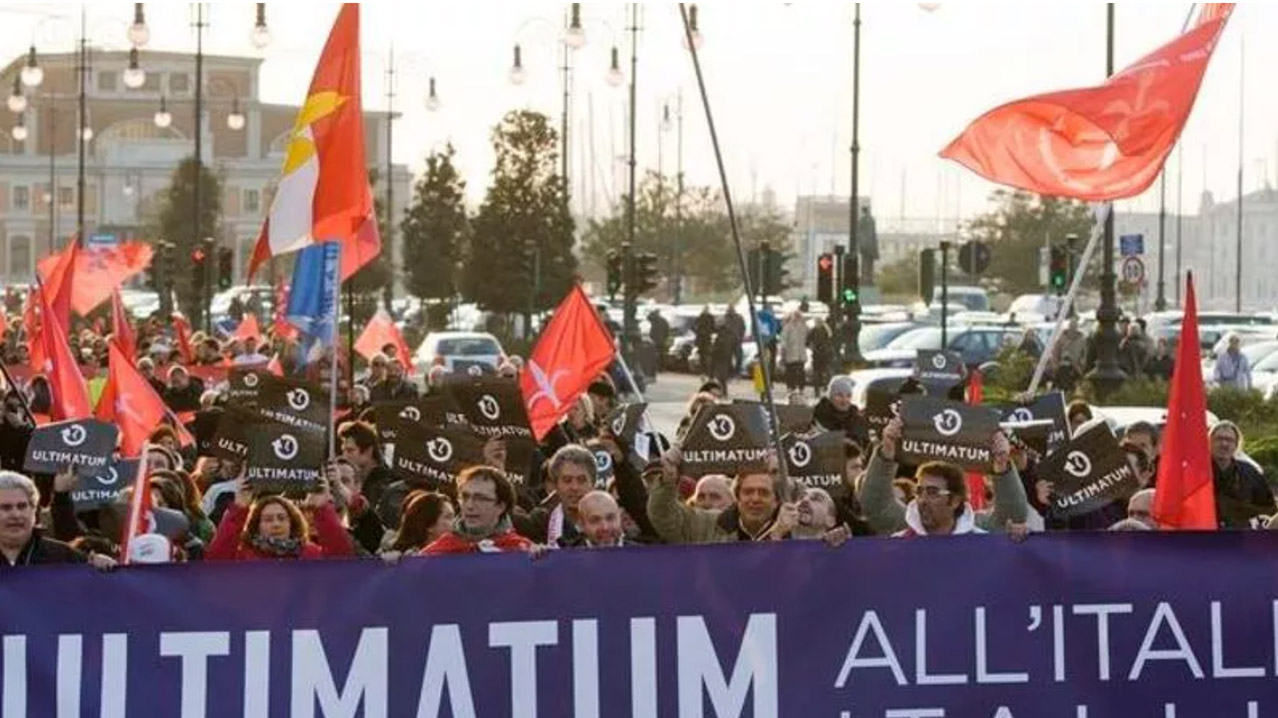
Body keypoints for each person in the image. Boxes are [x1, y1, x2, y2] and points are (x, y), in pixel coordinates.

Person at [861, 416, 1028, 535]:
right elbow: (876, 506)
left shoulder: (978, 532)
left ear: (955, 501)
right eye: (919, 491)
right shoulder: (904, 527)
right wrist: (887, 452)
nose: (922, 500)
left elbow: (1013, 517)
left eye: (932, 492)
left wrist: (1002, 465)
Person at [647, 450, 796, 544]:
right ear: (736, 497)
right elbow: (663, 516)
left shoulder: (794, 526)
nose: (755, 499)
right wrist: (667, 482)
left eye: (764, 493)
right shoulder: (707, 524)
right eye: (748, 492)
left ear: (776, 500)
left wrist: (779, 532)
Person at [205, 478, 354, 561]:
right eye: (268, 519)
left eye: (282, 518)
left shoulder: (309, 554)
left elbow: (341, 560)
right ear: (257, 525)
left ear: (292, 523)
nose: (276, 524)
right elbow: (216, 562)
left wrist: (322, 508)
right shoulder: (243, 556)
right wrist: (239, 508)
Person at [0, 471, 112, 567]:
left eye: (22, 506)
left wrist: (105, 569)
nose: (16, 515)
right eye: (5, 508)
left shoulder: (65, 558)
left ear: (34, 510)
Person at [421, 466, 533, 555]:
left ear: (501, 506)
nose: (470, 505)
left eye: (480, 499)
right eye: (465, 497)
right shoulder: (436, 553)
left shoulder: (523, 552)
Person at [514, 445, 596, 546]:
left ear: (593, 484)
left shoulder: (608, 521)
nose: (574, 487)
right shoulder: (541, 522)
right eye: (567, 480)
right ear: (555, 486)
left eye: (581, 480)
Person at [1209, 421, 1274, 528]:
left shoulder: (1250, 472)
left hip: (1242, 539)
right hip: (1204, 538)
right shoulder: (1198, 474)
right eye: (1219, 439)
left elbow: (1268, 508)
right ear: (1209, 442)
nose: (1224, 444)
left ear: (1236, 445)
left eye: (1229, 440)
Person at [381, 490, 455, 557]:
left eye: (454, 516)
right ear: (429, 526)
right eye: (448, 517)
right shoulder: (407, 560)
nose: (455, 522)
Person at [813, 376, 870, 448]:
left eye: (848, 396)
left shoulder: (858, 421)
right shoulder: (818, 417)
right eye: (839, 395)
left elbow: (866, 449)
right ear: (830, 397)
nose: (844, 400)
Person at [562, 490, 627, 548]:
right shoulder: (566, 557)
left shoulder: (636, 553)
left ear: (620, 518)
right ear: (581, 525)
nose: (605, 527)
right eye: (595, 521)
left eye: (610, 518)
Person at [779, 309, 809, 394]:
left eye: (799, 316)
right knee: (790, 372)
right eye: (796, 316)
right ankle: (791, 387)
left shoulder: (803, 326)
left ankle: (800, 388)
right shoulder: (788, 327)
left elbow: (809, 335)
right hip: (791, 354)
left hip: (800, 355)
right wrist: (783, 350)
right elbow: (783, 339)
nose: (797, 318)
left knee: (801, 372)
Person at [807, 316, 835, 397]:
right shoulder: (826, 330)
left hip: (818, 354)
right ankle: (826, 387)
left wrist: (811, 347)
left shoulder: (814, 330)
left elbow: (807, 341)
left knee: (817, 373)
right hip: (825, 355)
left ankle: (817, 390)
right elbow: (831, 338)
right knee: (826, 372)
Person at [693, 306, 716, 378]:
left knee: (706, 357)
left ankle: (706, 372)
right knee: (703, 357)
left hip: (706, 339)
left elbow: (713, 328)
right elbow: (694, 326)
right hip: (703, 340)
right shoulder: (700, 318)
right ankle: (704, 372)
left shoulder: (709, 318)